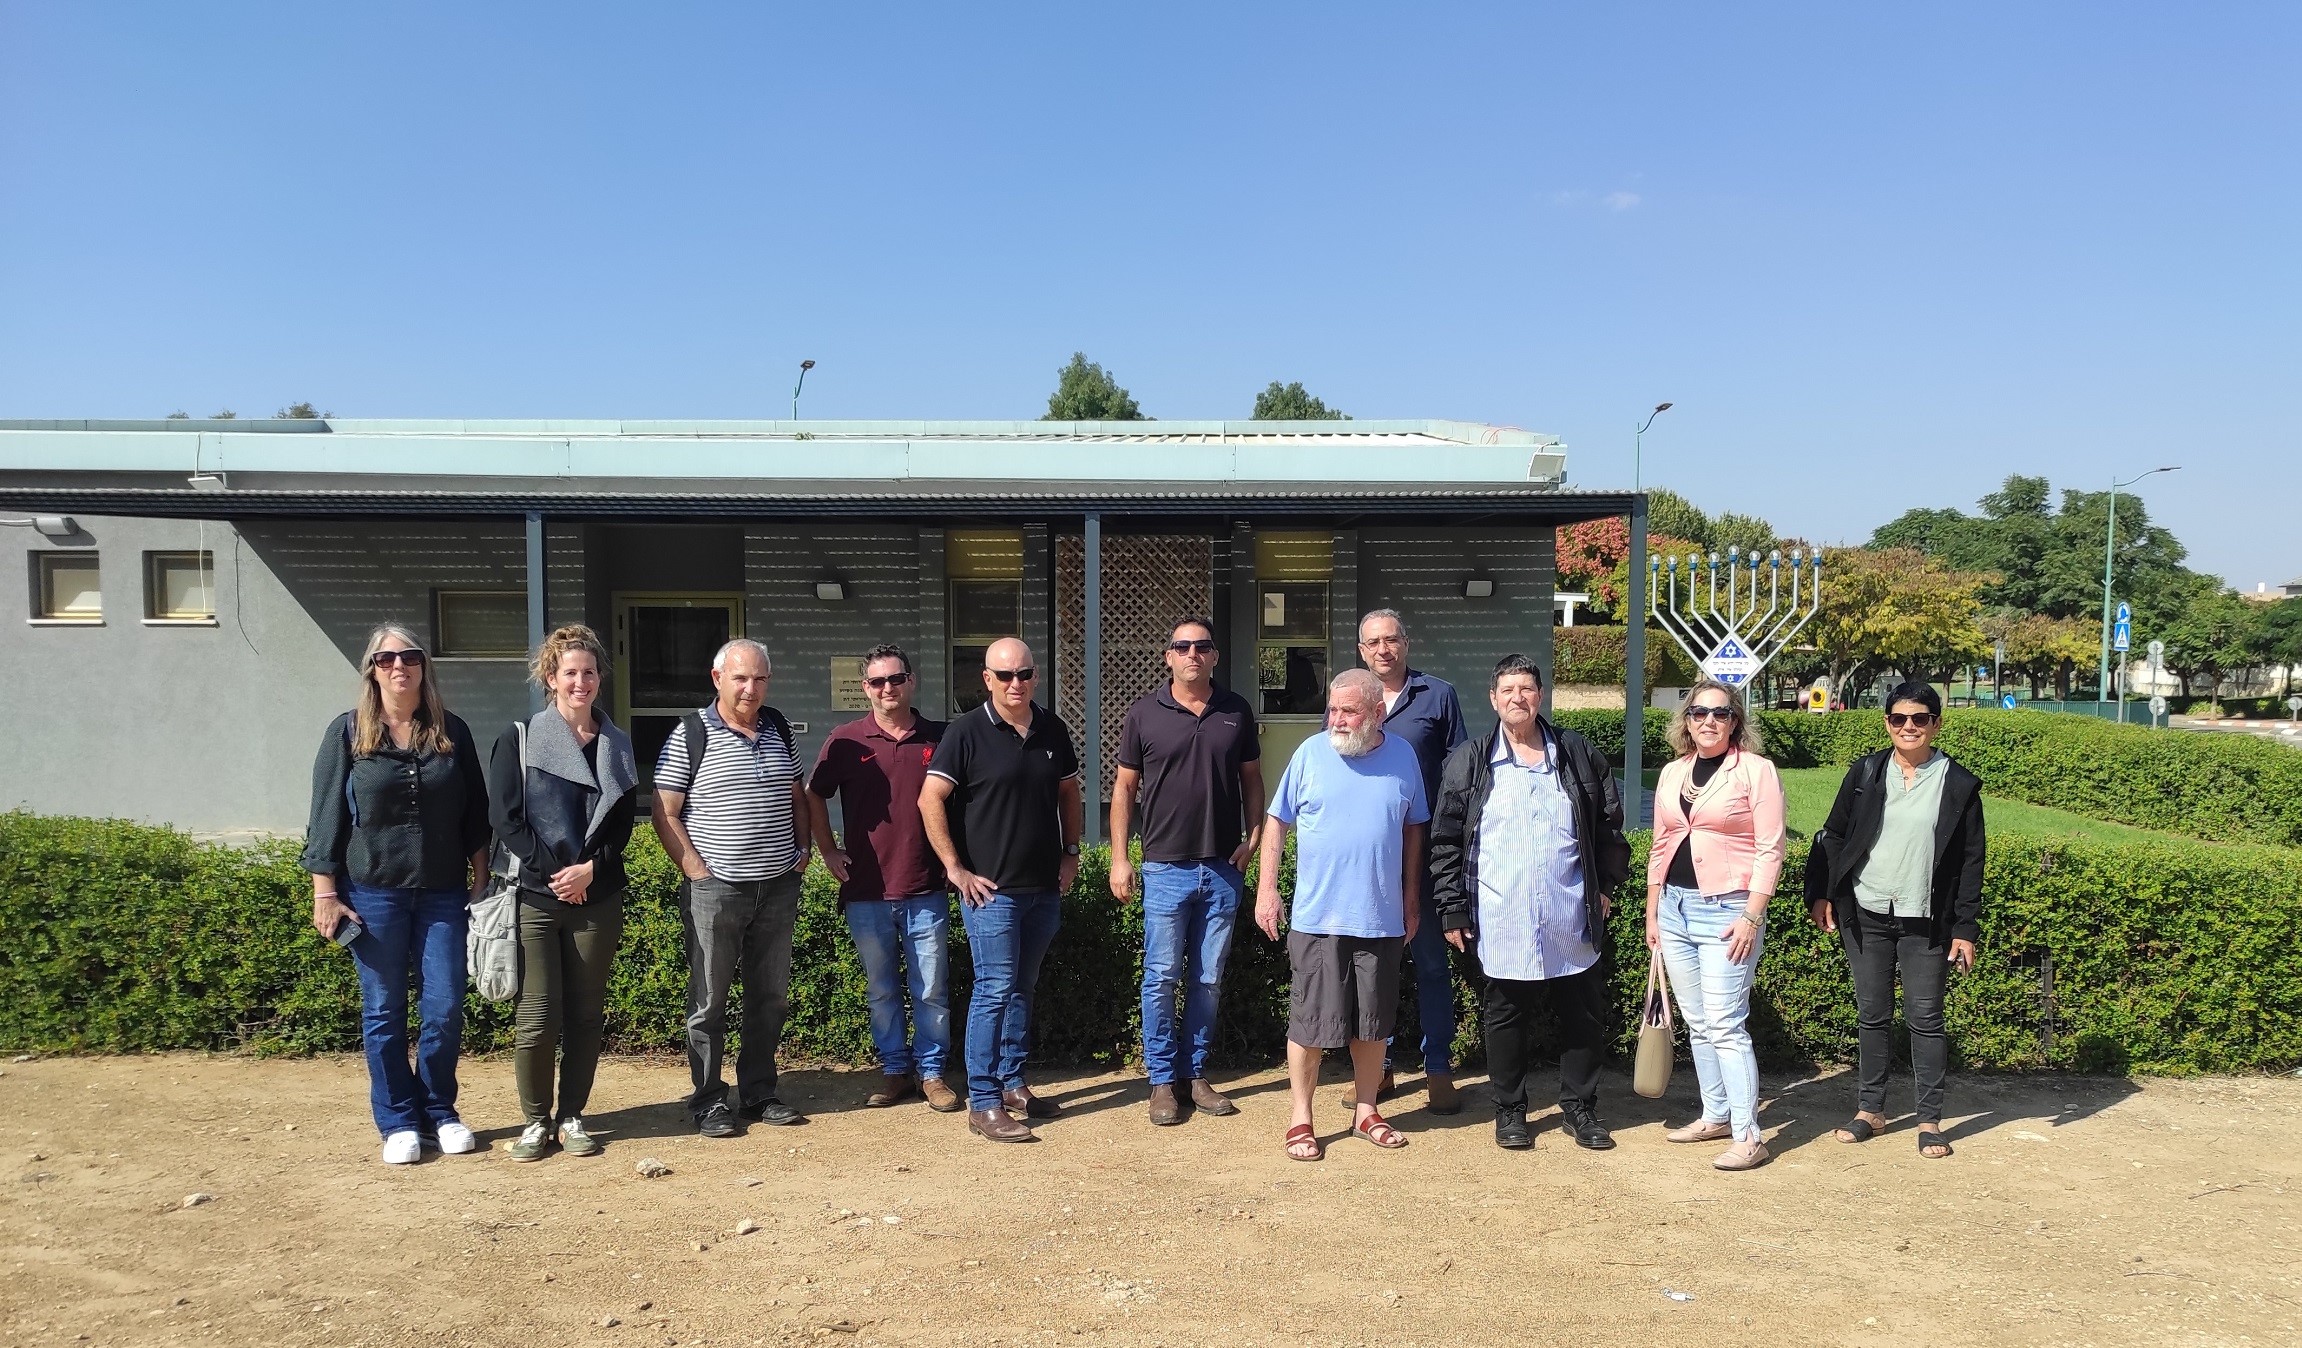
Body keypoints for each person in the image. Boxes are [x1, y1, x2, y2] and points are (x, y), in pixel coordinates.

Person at [301, 623, 492, 1165]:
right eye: (386, 659)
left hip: (441, 894)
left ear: (423, 667)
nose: (398, 666)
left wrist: (480, 874)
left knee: (445, 1005)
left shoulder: (451, 731)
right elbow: (325, 820)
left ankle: (439, 1111)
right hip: (372, 894)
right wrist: (325, 893)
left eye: (409, 657)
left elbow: (474, 811)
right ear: (372, 669)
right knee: (384, 1010)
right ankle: (398, 1120)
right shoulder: (347, 734)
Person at [1430, 654, 1630, 1153]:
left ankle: (1580, 1109)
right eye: (1508, 690)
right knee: (1504, 1018)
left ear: (1541, 696)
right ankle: (1510, 1111)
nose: (1518, 698)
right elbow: (1446, 840)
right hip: (1502, 917)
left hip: (1570, 913)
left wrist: (1604, 887)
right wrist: (1453, 908)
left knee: (1582, 1016)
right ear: (1493, 699)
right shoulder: (1471, 761)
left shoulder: (1578, 754)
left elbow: (1608, 828)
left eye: (1527, 688)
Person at [1806, 680, 1986, 1159]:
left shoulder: (1959, 784)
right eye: (1899, 719)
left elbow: (1971, 862)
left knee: (1925, 1018)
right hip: (1866, 911)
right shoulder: (1866, 771)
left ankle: (1929, 1120)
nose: (1910, 727)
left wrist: (1964, 928)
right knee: (1872, 1015)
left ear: (1936, 723)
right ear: (1887, 723)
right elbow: (1833, 835)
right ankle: (1871, 1111)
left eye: (1920, 718)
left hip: (1924, 918)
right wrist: (1822, 895)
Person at [1256, 669, 1429, 1161]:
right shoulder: (1309, 754)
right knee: (1309, 1023)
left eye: (1348, 711)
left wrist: (1411, 898)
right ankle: (1301, 1118)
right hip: (1318, 919)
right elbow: (1277, 821)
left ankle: (1367, 1110)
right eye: (1332, 709)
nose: (1336, 719)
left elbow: (1416, 828)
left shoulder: (1404, 757)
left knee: (1373, 1023)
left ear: (1378, 713)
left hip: (1381, 918)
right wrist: (1267, 890)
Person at [920, 638, 1084, 1143]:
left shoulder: (1053, 729)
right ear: (987, 679)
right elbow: (930, 800)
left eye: (1025, 673)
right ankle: (985, 1101)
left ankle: (1014, 1083)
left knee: (1021, 989)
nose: (1016, 683)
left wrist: (1071, 853)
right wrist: (954, 867)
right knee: (994, 990)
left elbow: (1068, 793)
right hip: (991, 894)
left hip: (1042, 889)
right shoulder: (965, 732)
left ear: (1036, 676)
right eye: (1005, 675)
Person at [490, 624, 640, 1162]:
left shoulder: (617, 742)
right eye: (570, 673)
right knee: (537, 1013)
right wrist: (559, 872)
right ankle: (535, 1120)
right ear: (550, 679)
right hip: (536, 895)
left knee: (584, 1012)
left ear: (600, 679)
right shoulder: (520, 738)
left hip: (596, 898)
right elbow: (506, 819)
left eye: (589, 672)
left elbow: (623, 823)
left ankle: (573, 1115)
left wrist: (589, 872)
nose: (581, 682)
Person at [652, 638, 813, 1138]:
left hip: (778, 885)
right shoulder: (690, 733)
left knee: (770, 997)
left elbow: (797, 793)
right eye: (740, 678)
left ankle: (759, 1092)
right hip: (717, 890)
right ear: (717, 678)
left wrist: (803, 850)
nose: (750, 688)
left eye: (759, 678)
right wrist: (696, 869)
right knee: (708, 1001)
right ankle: (707, 1101)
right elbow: (664, 810)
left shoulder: (779, 727)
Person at [1109, 617, 1266, 1126]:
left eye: (1202, 646)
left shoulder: (1235, 711)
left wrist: (1254, 837)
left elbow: (1252, 782)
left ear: (1215, 655)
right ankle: (1160, 1082)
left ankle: (1195, 1074)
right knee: (1159, 977)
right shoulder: (1143, 714)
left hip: (1221, 868)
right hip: (1164, 868)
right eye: (1182, 646)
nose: (1192, 653)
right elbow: (1124, 791)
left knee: (1207, 979)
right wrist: (1119, 858)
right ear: (1168, 656)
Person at [806, 644, 961, 1113]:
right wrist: (828, 849)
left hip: (926, 885)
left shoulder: (941, 736)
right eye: (877, 682)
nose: (887, 689)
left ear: (911, 681)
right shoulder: (846, 740)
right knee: (882, 988)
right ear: (865, 688)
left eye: (895, 679)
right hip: (867, 890)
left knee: (931, 988)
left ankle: (932, 1074)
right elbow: (814, 795)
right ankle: (895, 1070)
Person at [1645, 677, 1786, 1171]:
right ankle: (1716, 1114)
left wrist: (1753, 913)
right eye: (1699, 712)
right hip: (1676, 909)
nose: (1708, 721)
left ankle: (1750, 1134)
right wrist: (1653, 910)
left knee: (1726, 1024)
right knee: (1699, 1023)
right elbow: (1662, 842)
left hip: (1728, 910)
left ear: (1735, 721)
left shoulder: (1756, 771)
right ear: (1686, 720)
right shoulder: (1673, 772)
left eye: (1720, 713)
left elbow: (1772, 847)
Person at [1354, 608, 1468, 1113]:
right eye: (1373, 642)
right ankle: (1379, 1070)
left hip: (1425, 855)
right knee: (1375, 970)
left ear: (1406, 643)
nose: (1383, 649)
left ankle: (1438, 1067)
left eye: (1391, 639)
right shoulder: (1351, 697)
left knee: (1430, 964)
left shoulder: (1438, 695)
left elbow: (1458, 769)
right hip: (1371, 857)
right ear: (1362, 650)